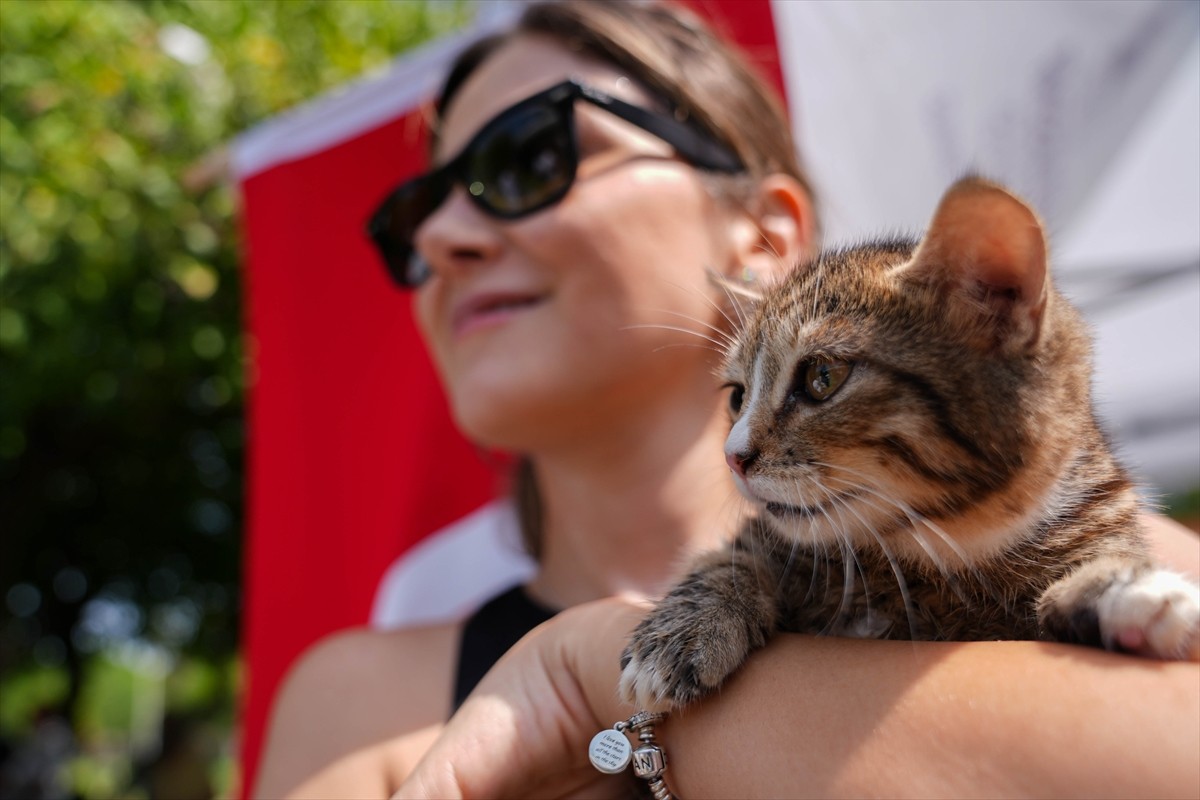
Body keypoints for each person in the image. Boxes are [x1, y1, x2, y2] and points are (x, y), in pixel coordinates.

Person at [253, 2, 1200, 797]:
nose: (450, 235)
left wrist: (588, 676)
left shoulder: (1134, 567)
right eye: (414, 216)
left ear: (765, 236)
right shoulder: (350, 699)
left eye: (527, 157)